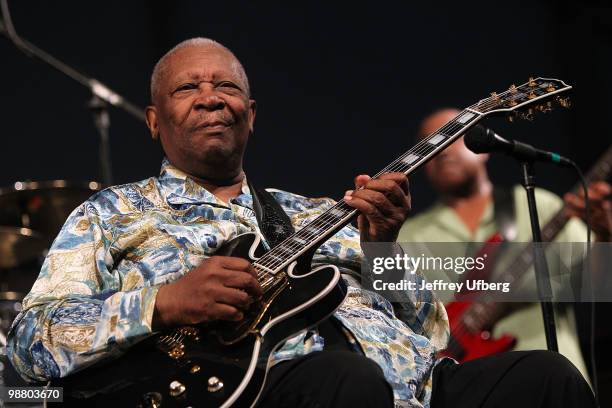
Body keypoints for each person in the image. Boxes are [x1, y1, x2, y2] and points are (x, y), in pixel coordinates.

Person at [7, 38, 595, 408]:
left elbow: (437, 337)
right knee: (345, 381)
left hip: (413, 390)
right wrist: (166, 302)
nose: (211, 96)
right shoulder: (111, 214)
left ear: (252, 115)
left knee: (548, 376)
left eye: (227, 86)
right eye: (189, 87)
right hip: (262, 390)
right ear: (155, 121)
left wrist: (383, 246)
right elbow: (29, 346)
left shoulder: (320, 212)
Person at [397, 109, 594, 378]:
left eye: (450, 136)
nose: (440, 150)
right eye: (427, 144)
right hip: (470, 387)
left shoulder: (538, 204)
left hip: (554, 378)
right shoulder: (405, 236)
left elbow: (596, 277)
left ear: (483, 145)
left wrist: (606, 234)